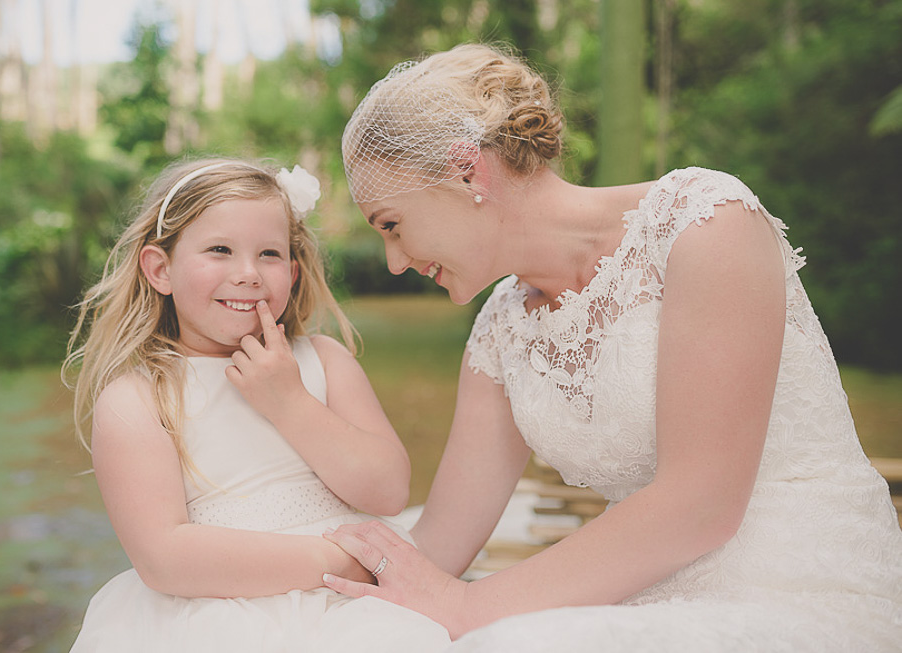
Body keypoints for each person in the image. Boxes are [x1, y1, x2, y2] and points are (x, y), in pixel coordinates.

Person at [322, 43, 902, 651]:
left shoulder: (702, 224)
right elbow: (439, 541)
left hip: (800, 590)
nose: (391, 262)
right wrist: (269, 556)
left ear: (468, 169)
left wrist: (469, 604)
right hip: (639, 602)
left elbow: (702, 504)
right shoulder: (501, 330)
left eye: (391, 224)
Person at [61, 158, 451, 652]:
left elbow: (388, 490)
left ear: (291, 271)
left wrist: (289, 402)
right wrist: (334, 561)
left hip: (357, 608)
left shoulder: (324, 363)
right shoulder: (138, 397)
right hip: (217, 612)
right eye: (219, 250)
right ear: (161, 269)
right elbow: (164, 556)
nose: (247, 274)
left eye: (268, 253)